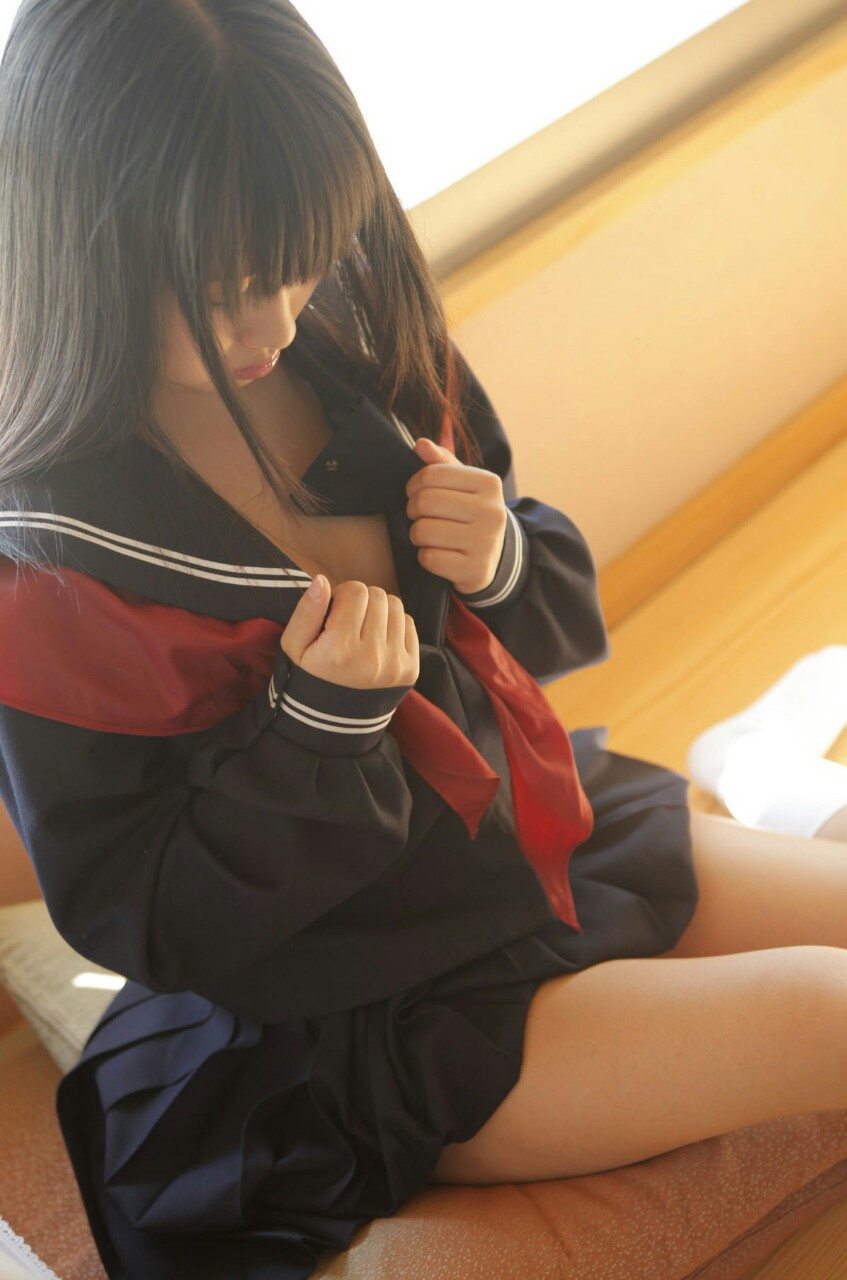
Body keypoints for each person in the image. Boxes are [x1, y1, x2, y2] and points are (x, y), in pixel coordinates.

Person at [0, 2, 846, 1277]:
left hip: (534, 830)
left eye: (299, 261)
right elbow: (150, 912)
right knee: (829, 1015)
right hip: (370, 1000)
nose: (272, 322)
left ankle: (760, 771)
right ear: (82, 255)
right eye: (226, 293)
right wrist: (320, 727)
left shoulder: (356, 328)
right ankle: (765, 776)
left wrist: (499, 553)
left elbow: (525, 600)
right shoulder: (50, 573)